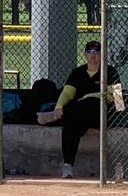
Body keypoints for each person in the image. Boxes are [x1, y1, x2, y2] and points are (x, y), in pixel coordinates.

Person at [45, 40, 121, 178]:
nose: (93, 56)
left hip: (100, 114)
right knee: (70, 122)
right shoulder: (78, 72)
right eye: (90, 53)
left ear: (103, 55)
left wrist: (89, 96)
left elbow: (116, 98)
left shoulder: (111, 71)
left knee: (88, 103)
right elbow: (67, 93)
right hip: (79, 115)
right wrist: (58, 106)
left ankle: (60, 117)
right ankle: (68, 167)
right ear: (85, 55)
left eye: (97, 53)